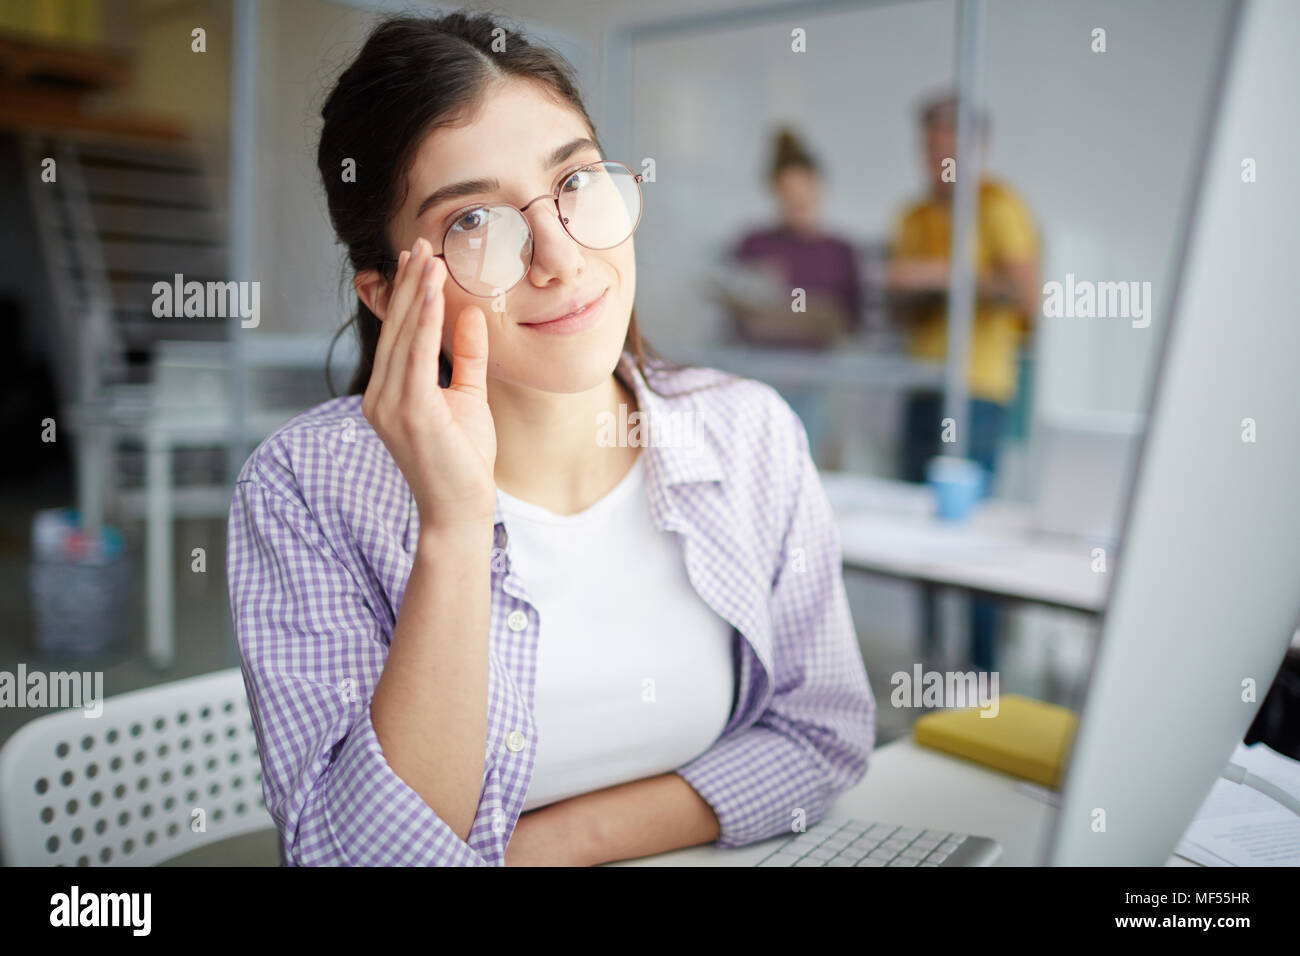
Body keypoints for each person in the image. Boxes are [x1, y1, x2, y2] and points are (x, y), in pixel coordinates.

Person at [224, 10, 875, 867]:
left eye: (576, 183)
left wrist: (560, 844)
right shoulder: (305, 488)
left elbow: (823, 732)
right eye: (476, 224)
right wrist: (454, 531)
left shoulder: (747, 432)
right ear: (385, 295)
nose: (562, 259)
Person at [887, 92, 1040, 672]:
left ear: (975, 148)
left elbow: (1028, 298)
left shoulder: (998, 206)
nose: (935, 159)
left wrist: (947, 275)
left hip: (977, 391)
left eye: (946, 147)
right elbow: (900, 308)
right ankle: (932, 668)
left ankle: (980, 676)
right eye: (928, 148)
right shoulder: (913, 215)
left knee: (972, 539)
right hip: (922, 385)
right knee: (919, 532)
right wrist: (912, 288)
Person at [726, 128, 863, 467]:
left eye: (804, 190)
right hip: (761, 377)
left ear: (819, 187)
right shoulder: (754, 245)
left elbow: (844, 321)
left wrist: (779, 313)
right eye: (788, 192)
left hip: (818, 383)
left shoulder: (840, 251)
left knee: (807, 468)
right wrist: (811, 315)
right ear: (775, 191)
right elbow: (745, 317)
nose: (797, 201)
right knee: (756, 465)